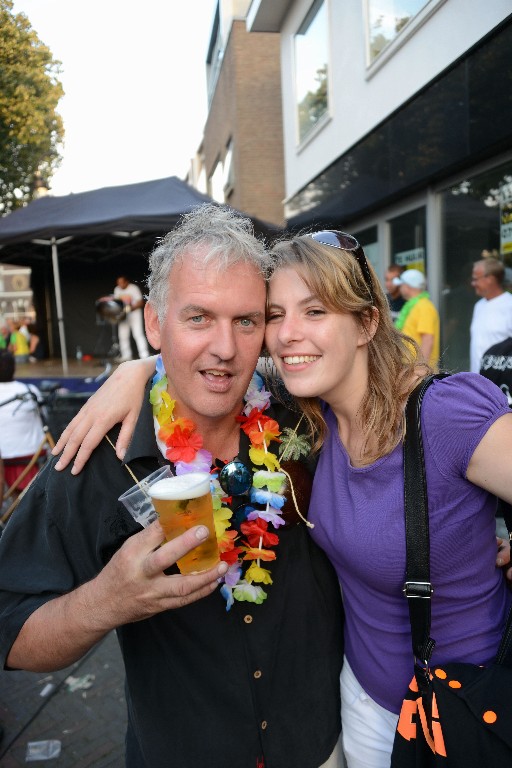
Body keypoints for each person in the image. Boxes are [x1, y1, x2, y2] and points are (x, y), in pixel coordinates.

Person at [54, 228, 512, 768]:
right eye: (274, 315)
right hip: (362, 705)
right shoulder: (310, 417)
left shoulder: (442, 413)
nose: (288, 334)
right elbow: (210, 356)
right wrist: (136, 369)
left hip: (461, 710)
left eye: (315, 311)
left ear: (367, 322)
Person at [0, 205, 344, 768]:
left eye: (246, 321)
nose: (226, 349)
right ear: (155, 323)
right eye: (199, 318)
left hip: (322, 746)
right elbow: (9, 631)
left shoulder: (305, 419)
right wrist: (107, 601)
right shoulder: (96, 455)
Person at [0, 350, 46, 501]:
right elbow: (44, 416)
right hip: (34, 455)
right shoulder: (29, 391)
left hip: (6, 460)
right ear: (14, 368)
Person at [469, 256, 512, 373]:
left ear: (491, 279)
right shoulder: (478, 305)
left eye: (476, 279)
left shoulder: (509, 304)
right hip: (477, 380)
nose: (473, 283)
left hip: (500, 382)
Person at [392, 268, 440, 368]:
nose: (400, 288)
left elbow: (427, 340)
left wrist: (421, 369)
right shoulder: (413, 306)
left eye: (401, 285)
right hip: (410, 368)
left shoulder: (424, 306)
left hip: (418, 372)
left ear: (407, 287)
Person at [113, 275, 150, 362]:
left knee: (138, 334)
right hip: (123, 315)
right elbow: (116, 303)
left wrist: (130, 308)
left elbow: (140, 302)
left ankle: (144, 355)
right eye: (118, 283)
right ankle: (126, 356)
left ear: (126, 282)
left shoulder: (133, 288)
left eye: (122, 283)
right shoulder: (117, 289)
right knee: (123, 335)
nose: (120, 285)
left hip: (134, 314)